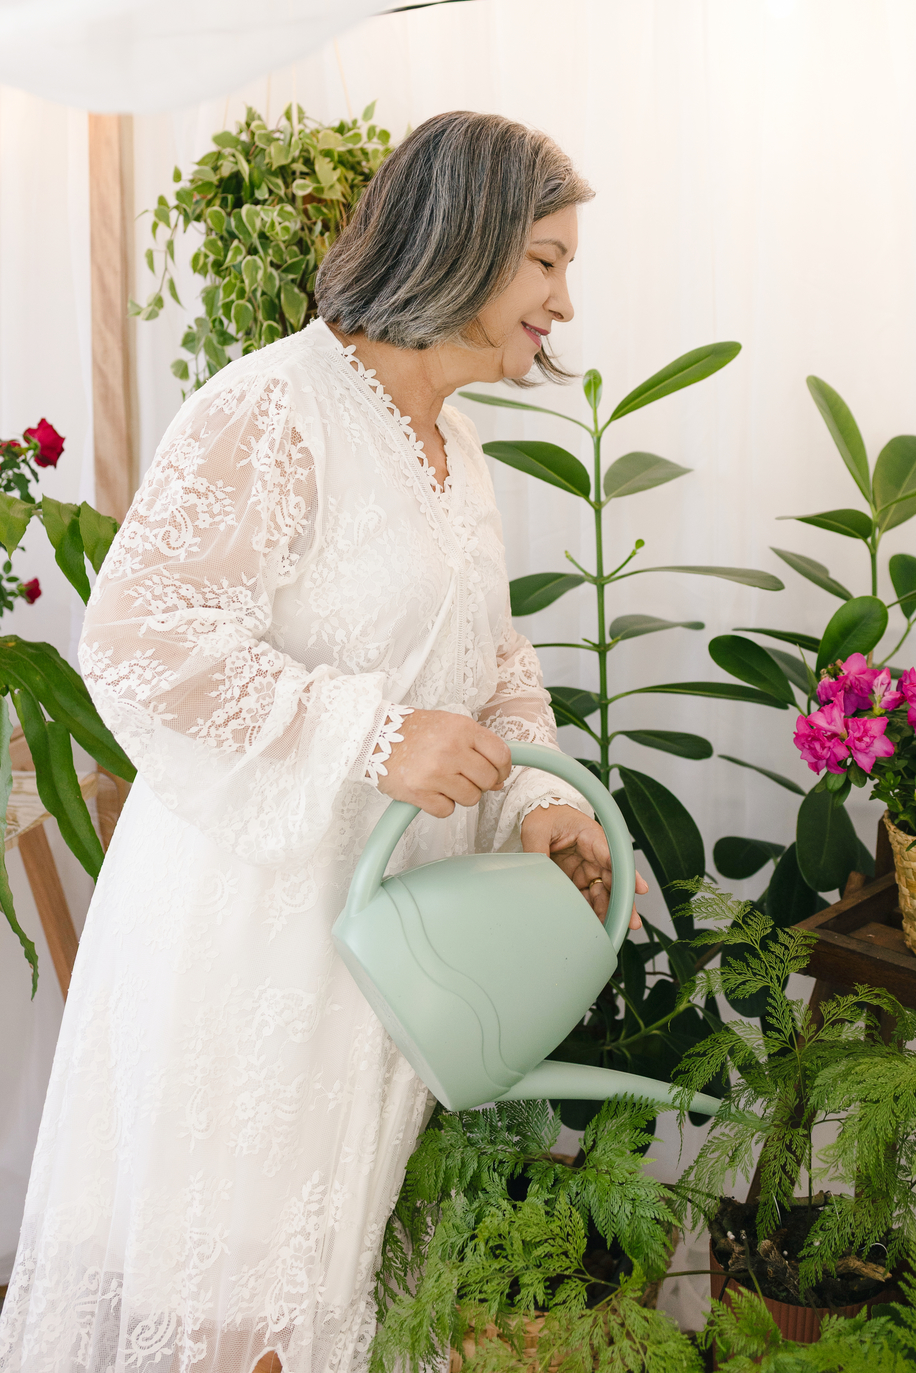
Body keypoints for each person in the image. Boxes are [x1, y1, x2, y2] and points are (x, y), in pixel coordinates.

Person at [0, 111, 646, 1373]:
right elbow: (137, 643)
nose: (564, 302)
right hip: (252, 950)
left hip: (384, 960)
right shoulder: (271, 409)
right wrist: (374, 734)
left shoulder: (458, 449)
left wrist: (539, 805)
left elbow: (492, 661)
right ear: (462, 241)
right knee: (235, 1319)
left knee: (325, 1307)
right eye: (546, 261)